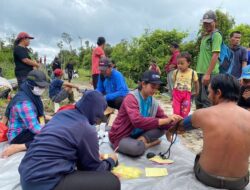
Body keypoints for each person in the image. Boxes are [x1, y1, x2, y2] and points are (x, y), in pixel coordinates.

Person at [18, 90, 120, 190]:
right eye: (99, 115)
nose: (98, 120)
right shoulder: (86, 128)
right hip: (44, 183)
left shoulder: (61, 115)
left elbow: (58, 142)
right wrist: (111, 160)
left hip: (26, 175)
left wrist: (92, 156)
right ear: (96, 112)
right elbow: (94, 169)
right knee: (112, 181)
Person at [167, 74, 250, 190]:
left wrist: (169, 131)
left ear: (218, 93)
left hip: (207, 177)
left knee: (202, 153)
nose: (209, 96)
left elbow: (179, 127)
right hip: (239, 182)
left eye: (210, 92)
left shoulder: (203, 114)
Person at [109, 70, 182, 157]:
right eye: (152, 87)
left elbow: (163, 118)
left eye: (157, 87)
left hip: (138, 134)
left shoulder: (153, 102)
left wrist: (175, 124)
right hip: (121, 136)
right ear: (143, 84)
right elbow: (137, 121)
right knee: (136, 148)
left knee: (163, 128)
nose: (155, 90)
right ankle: (147, 144)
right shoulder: (131, 98)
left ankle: (142, 140)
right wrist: (166, 120)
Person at [1, 70, 49, 158]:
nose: (41, 89)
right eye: (39, 86)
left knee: (51, 128)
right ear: (31, 84)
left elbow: (40, 116)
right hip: (18, 136)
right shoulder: (25, 103)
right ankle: (19, 147)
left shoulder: (30, 94)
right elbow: (36, 129)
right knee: (51, 138)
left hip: (26, 129)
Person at [195, 10, 222, 109]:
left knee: (208, 101)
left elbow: (215, 55)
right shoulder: (205, 36)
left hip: (210, 74)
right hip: (200, 72)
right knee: (198, 100)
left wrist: (207, 74)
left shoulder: (216, 35)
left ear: (215, 22)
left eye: (209, 22)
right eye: (205, 22)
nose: (206, 24)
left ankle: (208, 124)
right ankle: (198, 123)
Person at [172, 52, 199, 118]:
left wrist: (197, 91)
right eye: (178, 63)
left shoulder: (193, 73)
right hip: (177, 94)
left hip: (186, 95)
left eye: (182, 63)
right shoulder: (175, 72)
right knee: (176, 111)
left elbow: (196, 82)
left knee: (185, 111)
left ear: (188, 63)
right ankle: (176, 124)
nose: (179, 65)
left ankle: (182, 125)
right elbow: (174, 81)